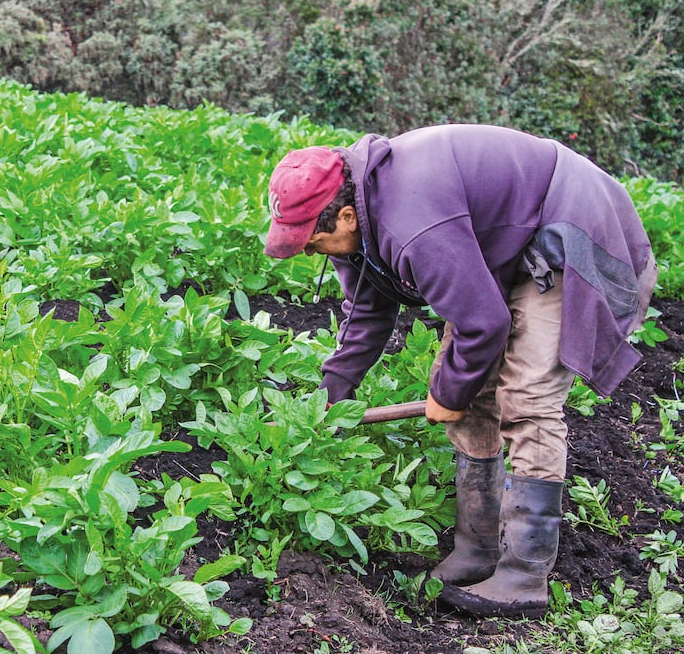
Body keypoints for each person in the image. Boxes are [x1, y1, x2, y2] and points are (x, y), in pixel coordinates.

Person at [262, 124, 657, 618]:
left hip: (572, 229)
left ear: (343, 215)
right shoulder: (356, 225)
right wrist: (324, 403)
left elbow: (482, 324)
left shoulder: (411, 222)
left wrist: (448, 395)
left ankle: (524, 575)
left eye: (313, 243)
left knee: (526, 397)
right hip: (507, 250)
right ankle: (478, 549)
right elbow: (365, 315)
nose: (309, 252)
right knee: (468, 393)